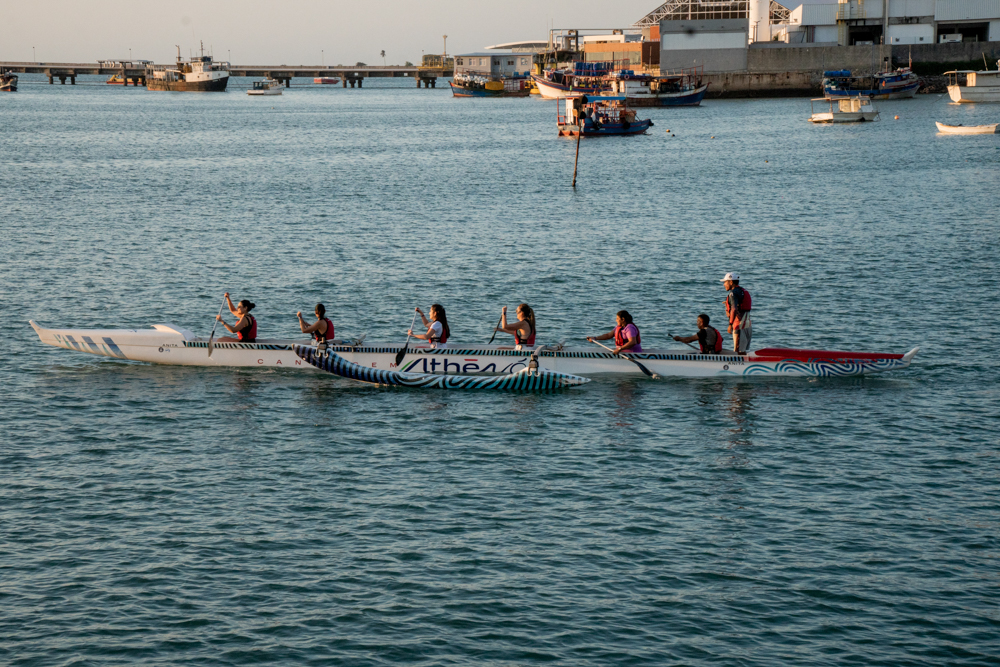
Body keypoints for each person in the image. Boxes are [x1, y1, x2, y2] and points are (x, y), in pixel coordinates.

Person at [721, 272, 752, 354]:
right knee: (743, 350)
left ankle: (737, 366)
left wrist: (730, 324)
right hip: (747, 324)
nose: (724, 284)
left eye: (725, 282)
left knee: (738, 351)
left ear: (731, 282)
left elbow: (734, 309)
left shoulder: (733, 293)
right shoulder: (743, 291)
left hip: (739, 325)